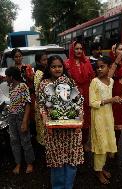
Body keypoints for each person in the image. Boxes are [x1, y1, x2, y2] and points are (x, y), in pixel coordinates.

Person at [38, 55, 84, 189]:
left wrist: (80, 117)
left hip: (71, 130)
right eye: (53, 66)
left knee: (71, 160)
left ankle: (68, 186)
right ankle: (57, 187)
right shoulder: (44, 84)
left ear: (63, 67)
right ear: (49, 68)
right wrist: (45, 118)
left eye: (59, 66)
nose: (57, 69)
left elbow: (78, 102)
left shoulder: (70, 82)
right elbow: (41, 105)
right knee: (56, 161)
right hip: (53, 131)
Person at [89, 56, 121, 184]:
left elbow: (109, 98)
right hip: (98, 118)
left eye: (102, 66)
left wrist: (116, 100)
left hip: (108, 117)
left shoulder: (111, 81)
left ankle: (101, 169)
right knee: (100, 145)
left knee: (107, 143)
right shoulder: (94, 82)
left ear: (108, 67)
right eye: (97, 67)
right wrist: (110, 100)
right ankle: (98, 172)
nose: (99, 69)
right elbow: (92, 102)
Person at [64, 41, 95, 149]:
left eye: (81, 48)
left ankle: (84, 142)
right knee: (74, 117)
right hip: (73, 95)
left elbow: (92, 78)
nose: (79, 51)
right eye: (76, 49)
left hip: (86, 94)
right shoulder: (67, 64)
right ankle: (74, 143)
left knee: (86, 120)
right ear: (72, 50)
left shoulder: (86, 62)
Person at [5, 66, 35, 175]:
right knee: (14, 141)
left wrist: (24, 121)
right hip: (11, 117)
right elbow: (14, 102)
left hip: (21, 116)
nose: (6, 78)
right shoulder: (11, 87)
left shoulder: (23, 86)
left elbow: (27, 104)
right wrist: (9, 108)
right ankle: (18, 163)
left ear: (11, 77)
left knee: (25, 140)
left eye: (7, 76)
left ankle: (29, 163)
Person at [11, 49, 36, 137]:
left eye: (19, 56)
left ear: (22, 57)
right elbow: (11, 83)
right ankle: (24, 130)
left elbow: (33, 80)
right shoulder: (12, 69)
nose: (18, 58)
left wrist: (27, 75)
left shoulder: (28, 67)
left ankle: (32, 132)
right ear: (13, 58)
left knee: (31, 112)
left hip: (29, 93)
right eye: (16, 57)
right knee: (21, 113)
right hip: (18, 95)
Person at [34, 51, 48, 146]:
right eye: (44, 60)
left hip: (44, 103)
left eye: (47, 59)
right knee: (43, 126)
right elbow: (38, 91)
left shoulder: (44, 71)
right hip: (42, 104)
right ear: (38, 62)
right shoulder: (39, 73)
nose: (46, 61)